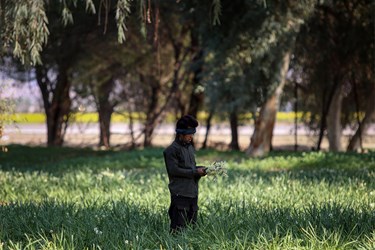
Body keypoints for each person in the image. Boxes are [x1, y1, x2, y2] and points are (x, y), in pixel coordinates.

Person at [163, 115, 207, 233]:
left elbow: (190, 168)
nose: (191, 137)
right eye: (189, 135)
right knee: (178, 229)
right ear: (180, 134)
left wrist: (201, 169)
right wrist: (194, 172)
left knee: (192, 228)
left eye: (193, 134)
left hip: (192, 193)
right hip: (180, 194)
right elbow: (174, 171)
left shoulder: (189, 148)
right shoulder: (171, 150)